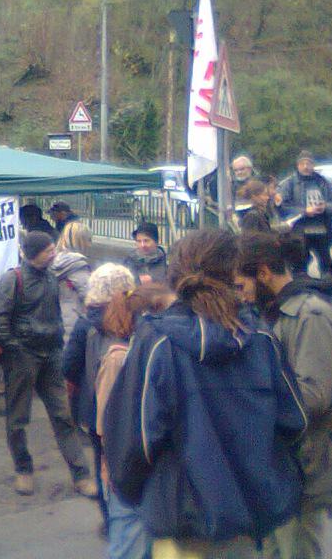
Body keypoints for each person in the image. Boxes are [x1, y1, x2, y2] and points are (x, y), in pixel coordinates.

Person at [104, 229, 306, 559]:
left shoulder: (157, 343)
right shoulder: (261, 340)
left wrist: (141, 495)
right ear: (234, 272)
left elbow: (132, 442)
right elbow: (293, 424)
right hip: (250, 517)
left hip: (185, 522)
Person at [235, 231, 332, 559]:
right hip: (279, 468)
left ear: (264, 273)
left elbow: (313, 397)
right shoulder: (275, 313)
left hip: (305, 468)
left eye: (242, 285)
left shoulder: (310, 316)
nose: (239, 295)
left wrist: (249, 401)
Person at [0, 230, 96, 498]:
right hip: (23, 357)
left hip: (50, 354)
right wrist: (14, 348)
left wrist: (57, 341)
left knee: (63, 416)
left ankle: (81, 475)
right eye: (49, 250)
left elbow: (54, 312)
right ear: (34, 253)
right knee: (18, 418)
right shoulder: (12, 279)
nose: (54, 253)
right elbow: (0, 318)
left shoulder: (52, 277)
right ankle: (23, 469)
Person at [94, 282, 171, 559]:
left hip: (141, 468)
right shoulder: (118, 358)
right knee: (128, 544)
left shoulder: (146, 351)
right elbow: (106, 420)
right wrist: (109, 464)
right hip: (124, 466)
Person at [62, 264, 137, 534]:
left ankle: (110, 519)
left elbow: (68, 365)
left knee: (102, 461)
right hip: (128, 404)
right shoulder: (134, 318)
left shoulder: (85, 323)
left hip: (94, 407)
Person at [278, 150, 332, 273]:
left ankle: (327, 289)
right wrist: (304, 211)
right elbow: (282, 207)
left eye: (309, 163)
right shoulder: (289, 184)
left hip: (321, 231)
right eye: (303, 163)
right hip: (299, 232)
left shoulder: (322, 182)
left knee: (327, 267)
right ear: (297, 165)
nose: (306, 167)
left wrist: (325, 207)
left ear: (313, 165)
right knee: (299, 267)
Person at [52, 222, 94, 329]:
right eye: (88, 240)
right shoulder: (77, 265)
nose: (90, 245)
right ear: (81, 241)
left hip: (52, 318)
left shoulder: (53, 259)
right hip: (73, 320)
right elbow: (89, 295)